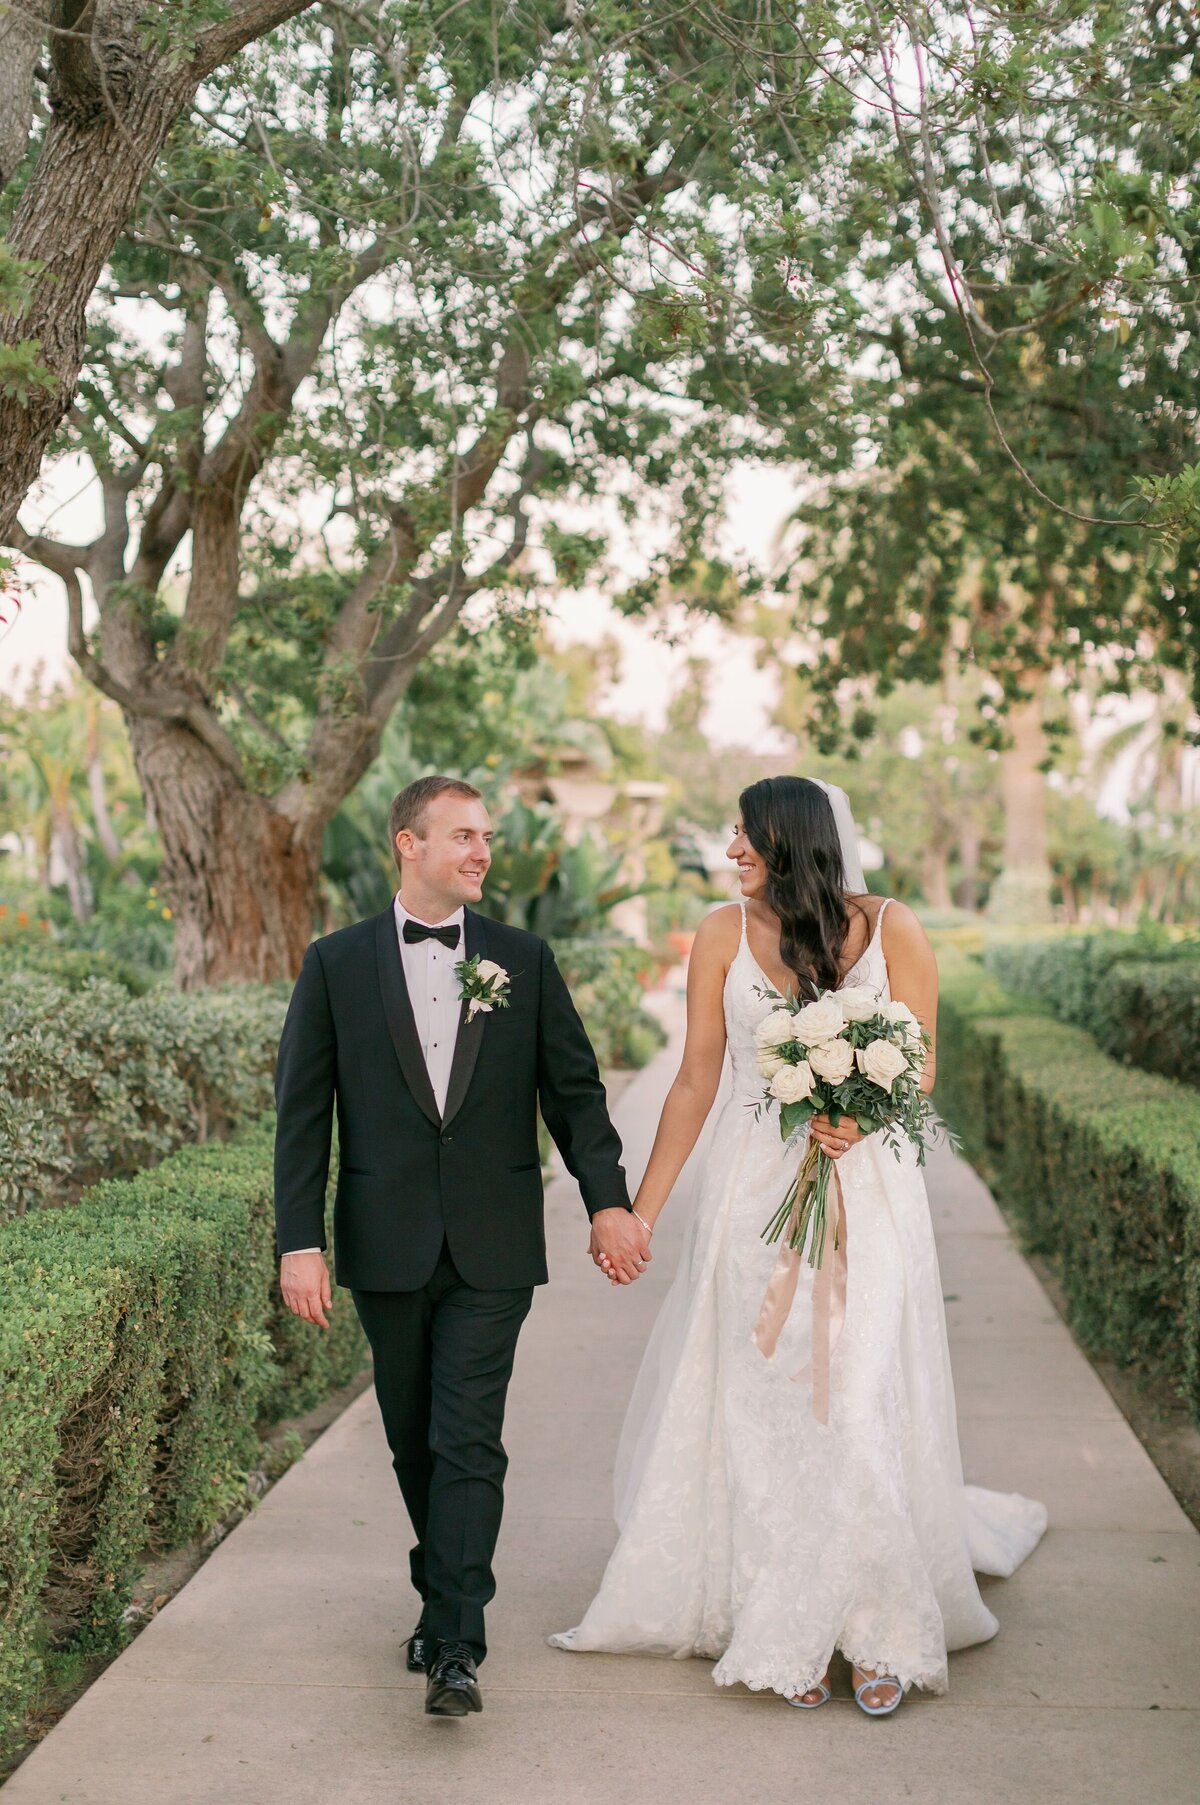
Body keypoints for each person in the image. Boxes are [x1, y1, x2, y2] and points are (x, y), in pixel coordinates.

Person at [552, 776, 1046, 1714]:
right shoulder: (717, 932)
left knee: (854, 1400)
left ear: (797, 841)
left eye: (748, 834)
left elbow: (924, 1055)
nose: (732, 848)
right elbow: (697, 1079)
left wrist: (861, 1114)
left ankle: (874, 1627)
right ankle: (777, 1613)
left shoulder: (889, 926)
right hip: (752, 1200)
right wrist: (643, 1212)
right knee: (764, 1403)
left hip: (866, 1199)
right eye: (732, 834)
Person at [274, 774, 650, 1718]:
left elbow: (573, 1092)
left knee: (468, 1438)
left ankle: (455, 1643)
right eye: (464, 836)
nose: (483, 852)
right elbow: (300, 1116)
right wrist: (298, 1243)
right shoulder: (335, 962)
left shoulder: (522, 957)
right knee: (414, 1444)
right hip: (384, 1242)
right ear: (409, 843)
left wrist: (609, 1202)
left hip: (493, 1243)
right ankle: (441, 1589)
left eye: (486, 836)